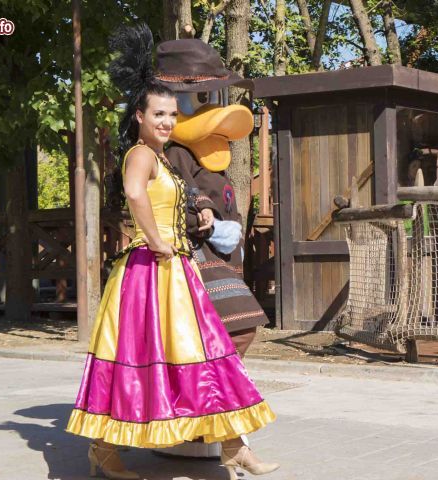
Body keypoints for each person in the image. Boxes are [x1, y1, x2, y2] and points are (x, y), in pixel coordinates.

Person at [65, 24, 278, 480]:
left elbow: (177, 195)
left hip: (172, 270)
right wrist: (157, 240)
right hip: (150, 269)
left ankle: (231, 446)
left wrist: (198, 214)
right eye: (158, 113)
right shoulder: (141, 153)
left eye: (170, 114)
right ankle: (105, 451)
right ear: (139, 116)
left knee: (204, 354)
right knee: (138, 361)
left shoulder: (165, 158)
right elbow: (134, 193)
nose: (166, 121)